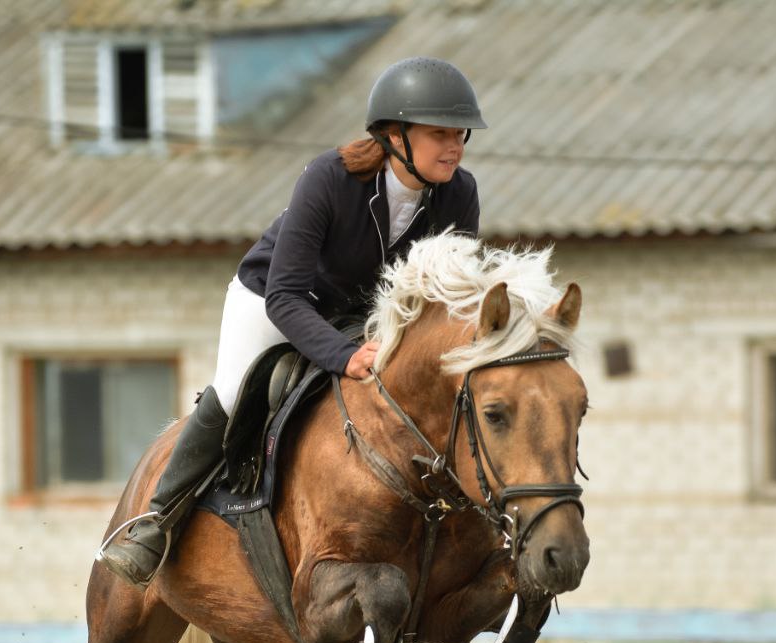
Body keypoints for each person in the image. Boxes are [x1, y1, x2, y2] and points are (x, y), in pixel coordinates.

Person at [97, 56, 486, 588]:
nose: (456, 146)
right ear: (394, 135)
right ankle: (155, 521)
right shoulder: (331, 178)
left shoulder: (459, 194)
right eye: (439, 133)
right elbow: (283, 296)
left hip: (365, 315)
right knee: (236, 392)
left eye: (460, 133)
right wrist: (344, 355)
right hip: (274, 300)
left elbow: (445, 298)